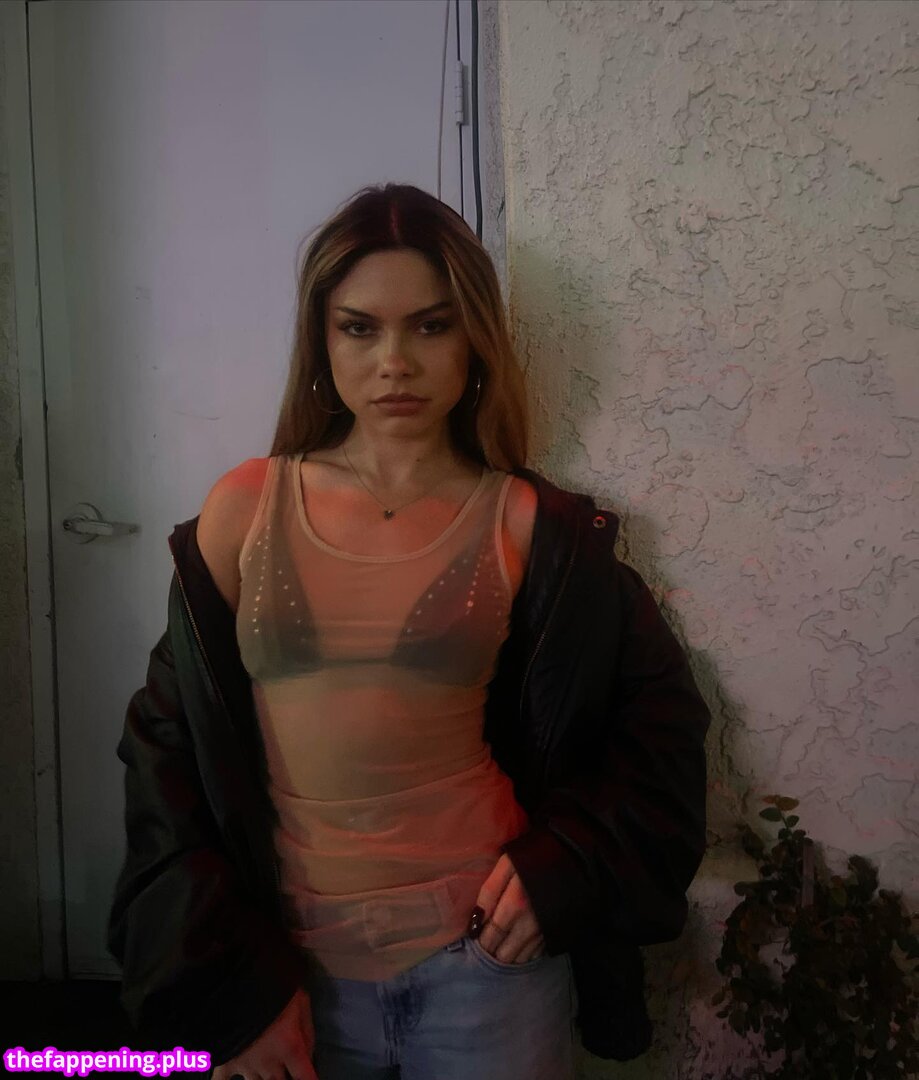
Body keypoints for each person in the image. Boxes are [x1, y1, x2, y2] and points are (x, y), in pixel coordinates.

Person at [107, 183, 711, 1080]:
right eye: (359, 328)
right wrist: (230, 987)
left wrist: (566, 869)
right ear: (321, 340)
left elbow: (661, 727)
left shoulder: (532, 528)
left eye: (430, 326)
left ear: (474, 339)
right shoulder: (244, 510)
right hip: (291, 979)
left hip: (487, 973)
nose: (394, 361)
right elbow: (166, 754)